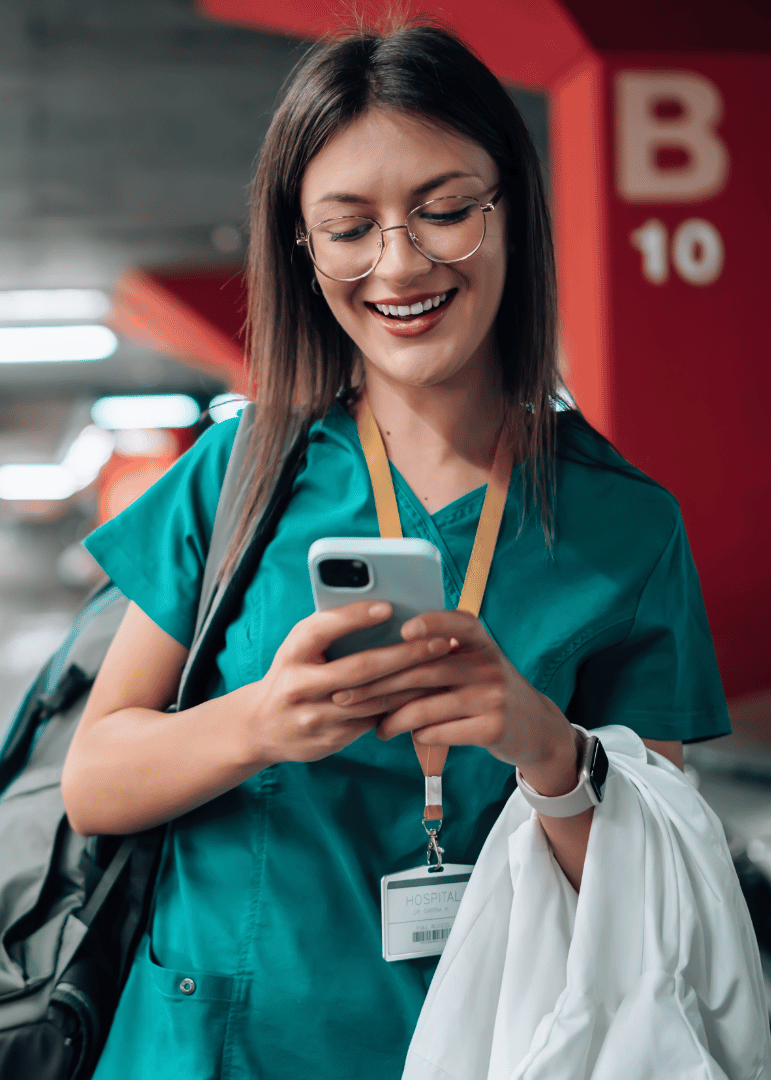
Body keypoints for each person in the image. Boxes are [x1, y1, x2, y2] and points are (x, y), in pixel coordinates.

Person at [61, 19, 733, 1080]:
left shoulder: (624, 526)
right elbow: (93, 780)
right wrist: (257, 724)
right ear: (303, 246)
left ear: (511, 209)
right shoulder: (240, 474)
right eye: (348, 228)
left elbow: (653, 879)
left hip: (483, 1050)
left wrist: (545, 750)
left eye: (445, 211)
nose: (399, 264)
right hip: (204, 1049)